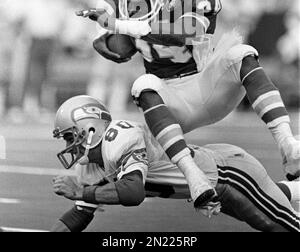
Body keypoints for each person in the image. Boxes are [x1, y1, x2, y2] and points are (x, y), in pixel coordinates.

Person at [78, 0, 300, 210]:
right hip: (167, 101)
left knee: (241, 53)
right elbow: (115, 50)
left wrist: (121, 25)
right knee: (143, 88)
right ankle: (193, 176)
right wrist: (104, 31)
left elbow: (187, 32)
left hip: (206, 87)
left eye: (140, 3)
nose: (130, 9)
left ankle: (287, 144)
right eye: (127, 3)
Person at [51, 95, 300, 233]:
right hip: (213, 186)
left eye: (70, 136)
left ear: (90, 127)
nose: (68, 145)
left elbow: (132, 192)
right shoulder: (89, 166)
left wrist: (80, 191)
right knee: (273, 200)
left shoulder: (119, 137)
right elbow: (77, 217)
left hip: (230, 175)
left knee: (282, 226)